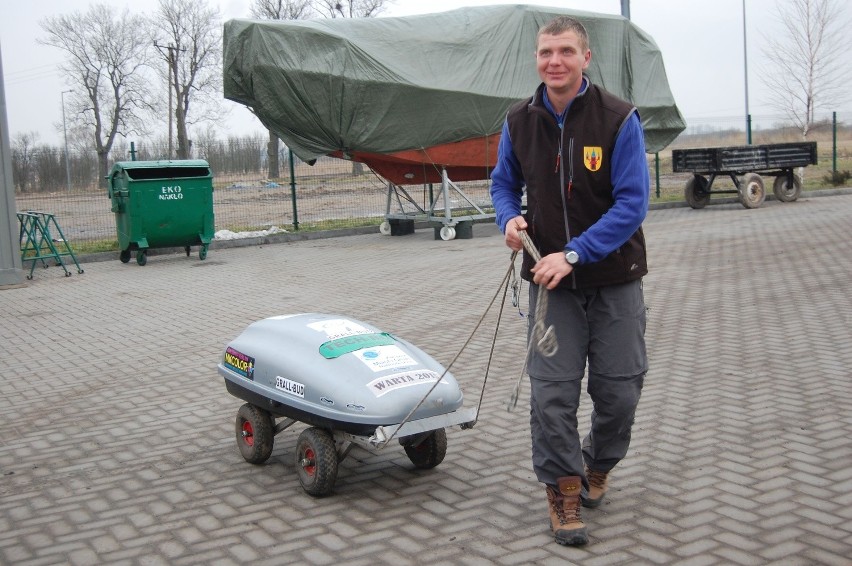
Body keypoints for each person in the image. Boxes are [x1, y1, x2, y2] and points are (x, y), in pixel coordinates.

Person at [490, 15, 649, 546]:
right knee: (552, 395)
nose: (553, 61)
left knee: (619, 392)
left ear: (585, 58)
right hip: (549, 283)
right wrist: (509, 218)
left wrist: (576, 253)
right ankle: (562, 489)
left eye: (564, 51)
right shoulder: (517, 121)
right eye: (544, 52)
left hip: (613, 276)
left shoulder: (620, 119)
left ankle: (598, 463)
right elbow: (502, 184)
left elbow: (633, 204)